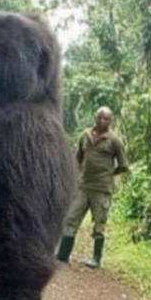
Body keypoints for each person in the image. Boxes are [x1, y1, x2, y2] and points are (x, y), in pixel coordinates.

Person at [57, 106, 128, 268]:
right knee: (71, 219)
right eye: (100, 118)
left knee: (99, 223)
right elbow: (77, 159)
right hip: (83, 186)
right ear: (95, 118)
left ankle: (96, 258)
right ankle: (63, 255)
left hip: (102, 189)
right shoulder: (85, 135)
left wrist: (109, 174)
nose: (103, 121)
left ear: (111, 121)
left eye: (106, 119)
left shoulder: (114, 141)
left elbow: (123, 165)